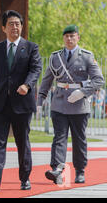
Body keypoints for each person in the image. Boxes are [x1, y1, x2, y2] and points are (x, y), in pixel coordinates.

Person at [37, 25, 104, 184]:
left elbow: (99, 80)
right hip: (59, 103)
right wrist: (40, 101)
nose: (69, 39)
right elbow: (47, 80)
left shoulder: (87, 56)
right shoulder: (55, 57)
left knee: (79, 139)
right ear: (63, 39)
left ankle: (80, 171)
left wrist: (83, 92)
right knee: (59, 137)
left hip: (79, 105)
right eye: (66, 36)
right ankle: (57, 169)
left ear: (78, 38)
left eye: (72, 36)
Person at [0, 10, 42, 192]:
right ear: (3, 28)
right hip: (0, 104)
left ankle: (25, 179)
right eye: (10, 24)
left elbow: (35, 70)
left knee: (22, 142)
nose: (14, 27)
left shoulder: (31, 48)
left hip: (22, 104)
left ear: (22, 26)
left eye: (17, 23)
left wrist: (27, 85)